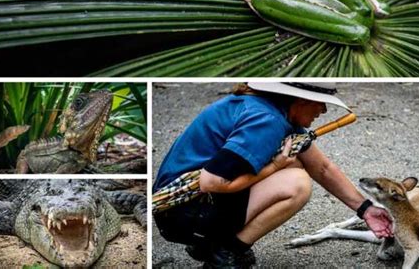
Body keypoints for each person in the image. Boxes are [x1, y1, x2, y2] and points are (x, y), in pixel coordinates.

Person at [153, 83, 393, 269]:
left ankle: (210, 244)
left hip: (188, 209)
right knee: (297, 183)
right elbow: (211, 182)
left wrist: (366, 209)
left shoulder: (270, 109)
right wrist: (275, 167)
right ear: (301, 99)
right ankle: (225, 251)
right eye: (320, 102)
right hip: (182, 211)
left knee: (297, 163)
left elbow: (322, 167)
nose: (324, 110)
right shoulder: (266, 121)